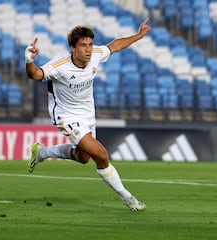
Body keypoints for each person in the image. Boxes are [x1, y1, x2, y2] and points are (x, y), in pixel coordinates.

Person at [25, 19, 151, 211]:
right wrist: (29, 60)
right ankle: (129, 199)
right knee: (101, 155)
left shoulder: (95, 55)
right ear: (72, 48)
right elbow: (35, 75)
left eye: (90, 44)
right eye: (83, 45)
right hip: (66, 116)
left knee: (83, 158)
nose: (88, 49)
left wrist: (139, 35)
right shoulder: (60, 65)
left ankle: (42, 152)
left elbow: (115, 45)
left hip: (87, 115)